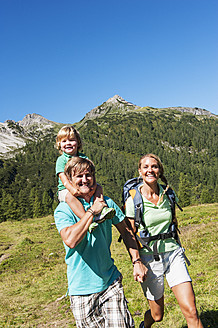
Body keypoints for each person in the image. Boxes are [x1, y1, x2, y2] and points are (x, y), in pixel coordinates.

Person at [54, 156, 148, 328]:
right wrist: (92, 212)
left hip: (110, 282)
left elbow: (127, 232)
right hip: (81, 290)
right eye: (79, 176)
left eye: (88, 175)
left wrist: (137, 261)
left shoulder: (108, 203)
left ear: (94, 178)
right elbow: (70, 240)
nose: (84, 180)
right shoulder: (64, 209)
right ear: (70, 180)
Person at [124, 154, 203, 328]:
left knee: (191, 311)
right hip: (149, 259)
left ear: (160, 171)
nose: (150, 170)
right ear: (140, 171)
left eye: (154, 166)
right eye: (146, 167)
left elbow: (172, 221)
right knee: (157, 315)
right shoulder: (133, 201)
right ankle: (145, 325)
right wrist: (136, 262)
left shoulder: (168, 194)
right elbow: (129, 234)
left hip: (173, 254)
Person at [55, 125, 115, 232]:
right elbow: (63, 178)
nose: (68, 143)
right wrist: (72, 189)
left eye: (72, 140)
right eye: (64, 141)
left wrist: (94, 186)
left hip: (84, 185)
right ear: (59, 144)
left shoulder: (84, 158)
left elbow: (92, 174)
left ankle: (102, 209)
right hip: (66, 189)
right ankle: (87, 221)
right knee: (70, 198)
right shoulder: (61, 160)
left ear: (78, 142)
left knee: (99, 188)